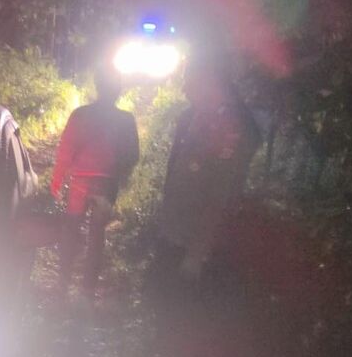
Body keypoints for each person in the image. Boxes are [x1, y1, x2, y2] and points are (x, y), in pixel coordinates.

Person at [154, 59, 261, 291]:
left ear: (209, 82)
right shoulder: (194, 116)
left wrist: (196, 255)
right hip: (175, 235)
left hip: (195, 247)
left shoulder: (230, 125)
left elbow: (220, 194)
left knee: (180, 314)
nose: (184, 89)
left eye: (189, 82)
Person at [50, 66, 140, 298]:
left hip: (79, 182)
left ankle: (62, 284)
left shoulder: (80, 115)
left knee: (70, 231)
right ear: (118, 89)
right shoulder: (126, 120)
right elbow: (133, 156)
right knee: (97, 236)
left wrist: (56, 184)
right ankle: (87, 290)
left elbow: (65, 151)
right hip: (106, 185)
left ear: (97, 86)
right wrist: (118, 172)